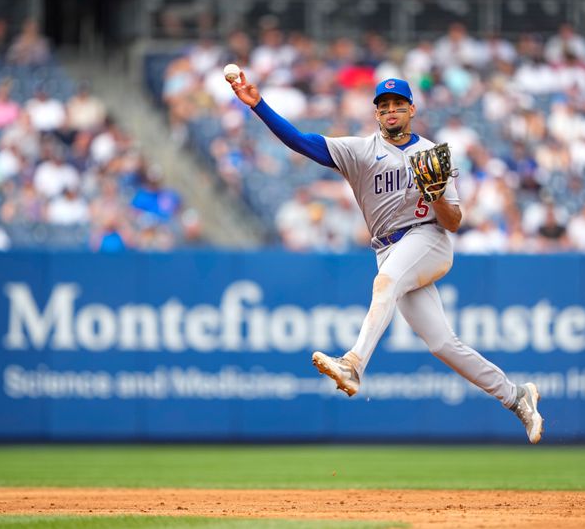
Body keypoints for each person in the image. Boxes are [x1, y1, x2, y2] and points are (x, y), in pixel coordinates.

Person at [228, 73, 544, 443]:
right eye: (384, 106)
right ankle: (516, 396)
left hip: (427, 238)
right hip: (388, 249)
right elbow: (301, 142)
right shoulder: (361, 151)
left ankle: (353, 364)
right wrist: (258, 106)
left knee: (386, 283)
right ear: (376, 113)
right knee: (442, 344)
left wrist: (438, 194)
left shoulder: (431, 154)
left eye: (398, 104)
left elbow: (454, 222)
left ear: (412, 108)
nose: (391, 110)